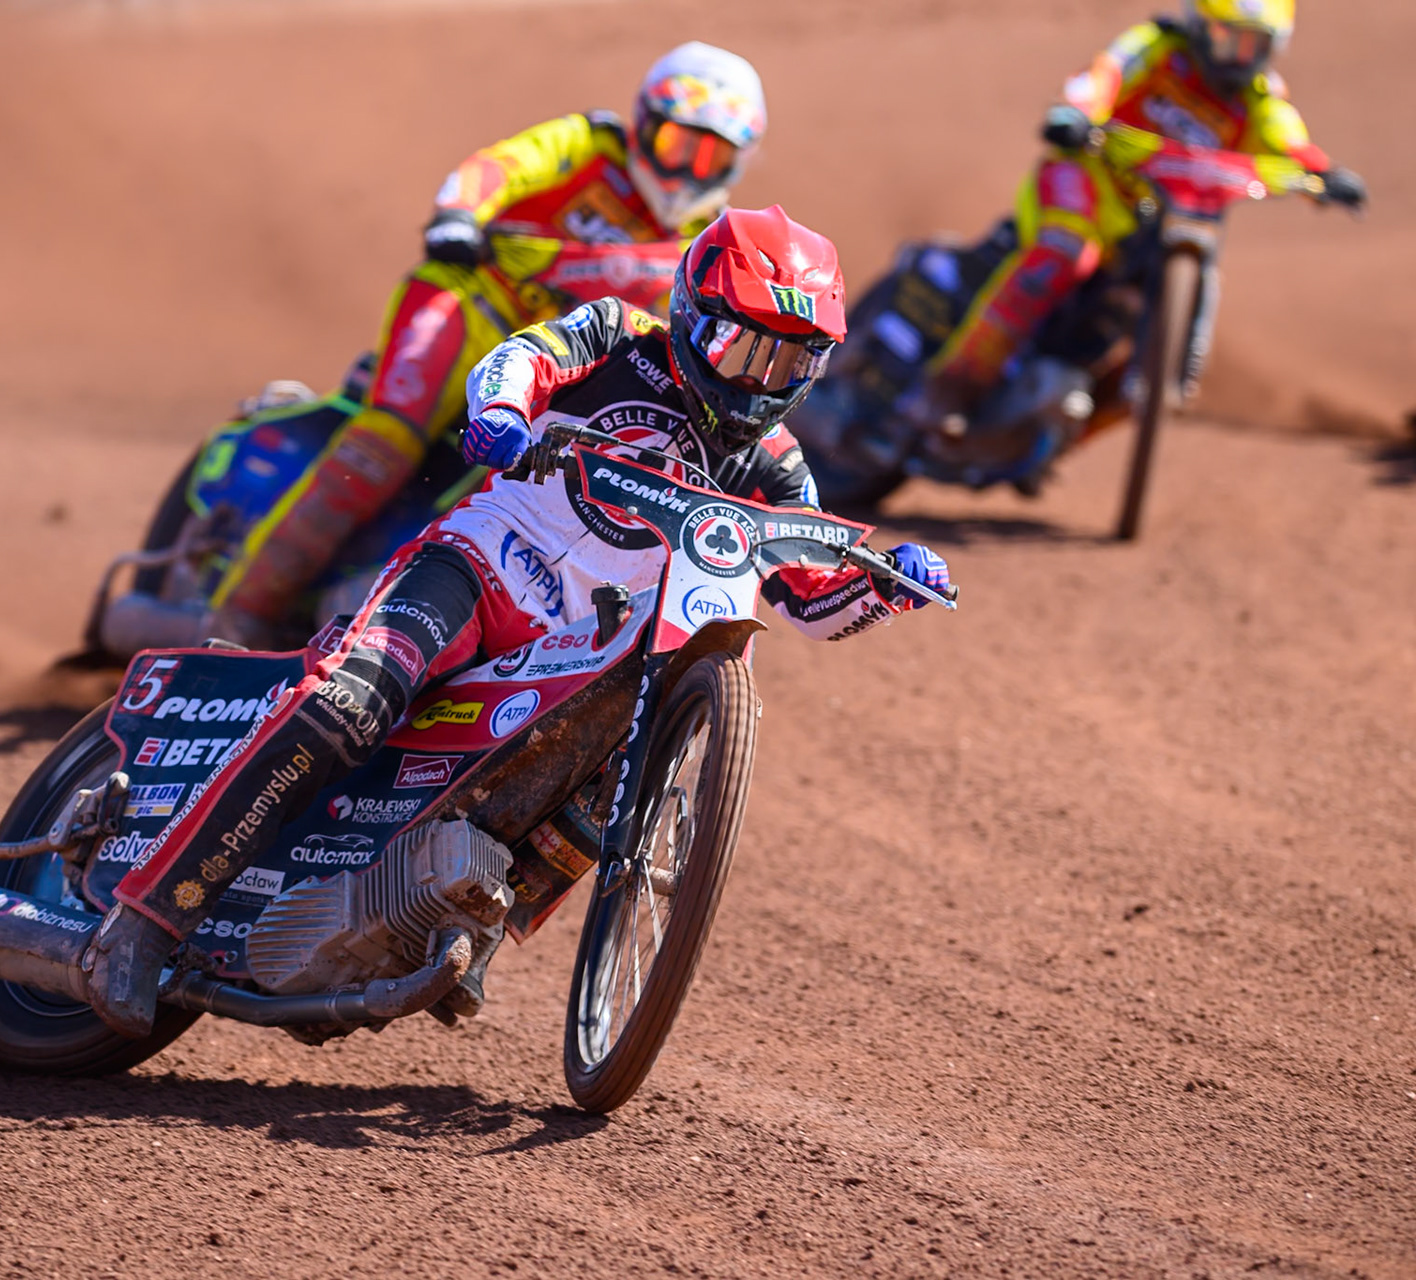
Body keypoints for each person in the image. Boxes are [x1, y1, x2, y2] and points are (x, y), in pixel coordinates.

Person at [81, 207, 954, 1040]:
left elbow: (811, 595)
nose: (762, 379)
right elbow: (518, 360)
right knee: (351, 700)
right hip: (483, 570)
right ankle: (146, 920)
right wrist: (500, 416)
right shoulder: (618, 334)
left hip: (582, 650)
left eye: (791, 362)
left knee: (618, 780)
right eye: (746, 346)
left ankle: (453, 926)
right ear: (694, 312)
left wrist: (889, 582)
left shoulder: (776, 465)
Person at [203, 42, 770, 649]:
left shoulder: (707, 240)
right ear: (643, 125)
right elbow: (500, 168)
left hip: (563, 368)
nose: (687, 169)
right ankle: (237, 620)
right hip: (472, 305)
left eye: (712, 154)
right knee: (381, 448)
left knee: (532, 492)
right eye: (677, 144)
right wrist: (458, 213)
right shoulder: (587, 145)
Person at [908, 0, 1367, 426]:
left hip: (1158, 225)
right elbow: (1105, 73)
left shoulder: (1259, 97)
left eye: (1255, 45)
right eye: (1229, 37)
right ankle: (951, 386)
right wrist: (1075, 112)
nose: (1239, 56)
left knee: (1152, 324)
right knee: (1066, 252)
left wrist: (1325, 177)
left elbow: (1287, 142)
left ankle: (1051, 435)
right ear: (1202, 26)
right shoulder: (1160, 47)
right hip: (1089, 182)